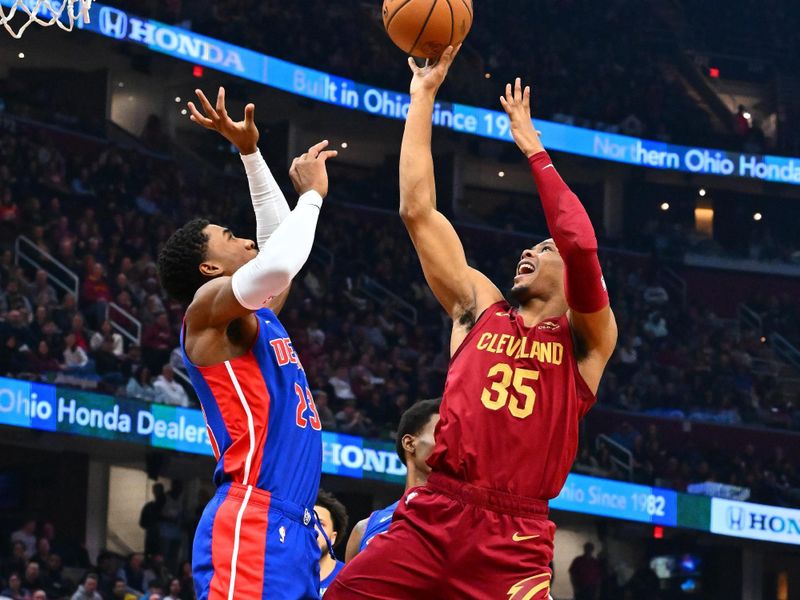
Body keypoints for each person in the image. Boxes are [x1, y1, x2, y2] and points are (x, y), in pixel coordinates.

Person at [327, 51, 617, 600]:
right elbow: (417, 211)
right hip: (436, 511)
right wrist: (423, 94)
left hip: (516, 535)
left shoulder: (588, 340)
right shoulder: (479, 307)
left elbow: (579, 241)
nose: (529, 251)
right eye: (529, 247)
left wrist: (533, 149)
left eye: (542, 247)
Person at [158, 87, 336, 600]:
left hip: (292, 525)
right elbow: (280, 261)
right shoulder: (208, 310)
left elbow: (277, 260)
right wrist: (312, 196)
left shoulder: (252, 317)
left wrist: (251, 154)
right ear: (210, 268)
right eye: (230, 236)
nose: (246, 240)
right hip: (253, 516)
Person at [344, 398, 441, 561]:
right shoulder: (365, 528)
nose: (450, 445)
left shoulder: (464, 521)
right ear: (409, 443)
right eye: (441, 435)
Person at [314, 491, 348, 596]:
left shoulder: (346, 577)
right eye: (309, 522)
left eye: (321, 524)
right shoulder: (286, 573)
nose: (314, 529)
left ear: (333, 538)